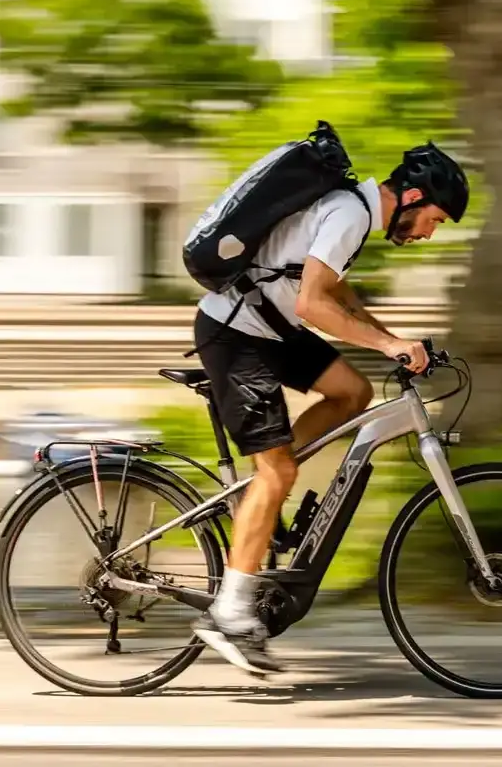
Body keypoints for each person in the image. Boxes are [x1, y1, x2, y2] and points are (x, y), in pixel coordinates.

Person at [190, 142, 469, 676]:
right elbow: (312, 304)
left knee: (353, 393)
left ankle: (263, 495)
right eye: (434, 219)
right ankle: (228, 613)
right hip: (236, 333)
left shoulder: (353, 215)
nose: (430, 232)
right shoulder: (348, 213)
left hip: (270, 327)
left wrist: (392, 339)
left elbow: (336, 290)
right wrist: (388, 347)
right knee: (278, 471)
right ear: (412, 197)